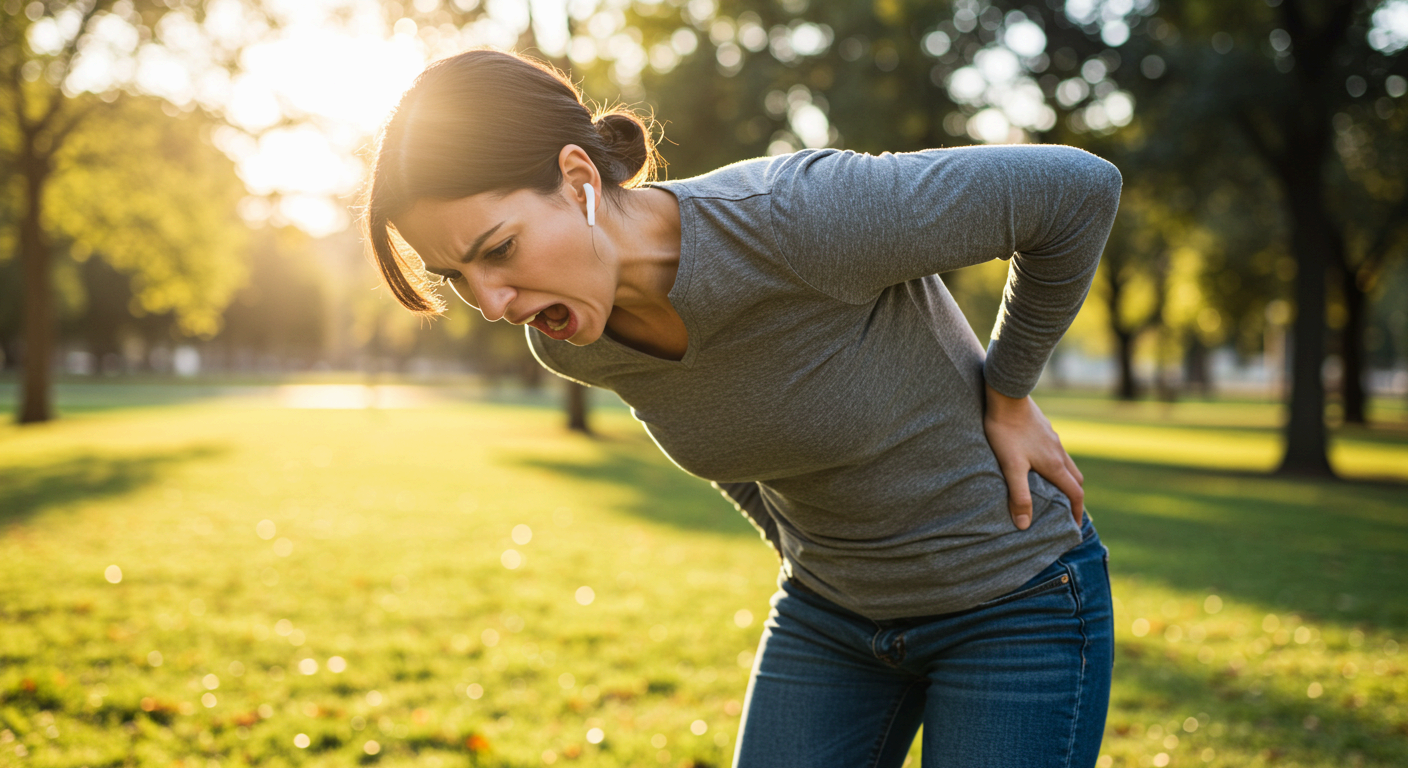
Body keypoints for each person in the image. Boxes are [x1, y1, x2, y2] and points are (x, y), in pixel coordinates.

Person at [364, 48, 1120, 768]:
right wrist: (812, 551)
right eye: (454, 275)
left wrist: (1010, 390)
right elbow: (730, 443)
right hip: (829, 619)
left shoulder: (798, 216)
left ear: (577, 177)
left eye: (498, 249)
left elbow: (1075, 192)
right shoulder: (572, 342)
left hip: (1014, 602)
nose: (491, 304)